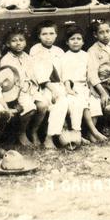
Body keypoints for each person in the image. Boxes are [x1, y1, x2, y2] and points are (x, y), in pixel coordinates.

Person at [0, 26, 49, 147]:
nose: (18, 43)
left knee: (43, 105)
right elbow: (7, 82)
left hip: (31, 88)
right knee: (30, 108)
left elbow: (34, 74)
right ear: (8, 44)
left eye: (21, 40)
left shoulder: (27, 57)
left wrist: (34, 86)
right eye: (14, 41)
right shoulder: (6, 60)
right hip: (18, 91)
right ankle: (21, 133)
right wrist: (21, 88)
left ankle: (33, 131)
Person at [61, 25, 107, 144]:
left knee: (94, 102)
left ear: (83, 42)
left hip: (85, 86)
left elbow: (90, 73)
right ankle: (90, 132)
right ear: (67, 42)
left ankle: (91, 134)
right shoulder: (65, 57)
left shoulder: (86, 55)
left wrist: (92, 88)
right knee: (80, 102)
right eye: (72, 39)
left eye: (78, 39)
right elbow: (65, 75)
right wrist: (68, 88)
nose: (75, 42)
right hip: (72, 87)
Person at [29, 21, 70, 150]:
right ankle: (41, 134)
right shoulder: (35, 50)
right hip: (42, 85)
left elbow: (65, 72)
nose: (48, 37)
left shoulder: (59, 51)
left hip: (58, 85)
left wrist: (66, 87)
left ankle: (51, 136)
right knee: (53, 101)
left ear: (56, 35)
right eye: (44, 34)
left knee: (63, 101)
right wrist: (54, 90)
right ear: (39, 36)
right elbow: (39, 74)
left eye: (51, 33)